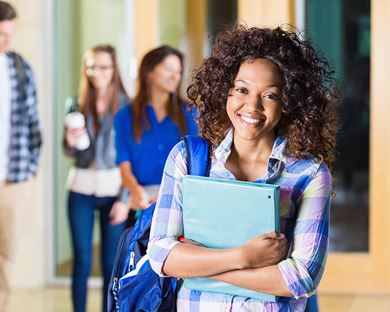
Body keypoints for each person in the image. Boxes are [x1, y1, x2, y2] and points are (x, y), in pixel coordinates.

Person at [148, 25, 339, 311]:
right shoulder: (187, 159)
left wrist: (198, 266)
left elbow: (300, 278)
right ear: (224, 90)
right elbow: (161, 256)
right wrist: (244, 257)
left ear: (288, 102)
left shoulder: (309, 175)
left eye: (270, 95)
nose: (252, 106)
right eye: (242, 89)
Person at [63, 44, 130, 312]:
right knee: (81, 260)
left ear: (114, 69)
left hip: (114, 191)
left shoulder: (127, 107)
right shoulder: (75, 102)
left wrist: (124, 198)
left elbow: (131, 158)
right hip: (80, 189)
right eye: (91, 66)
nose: (96, 72)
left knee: (110, 264)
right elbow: (70, 149)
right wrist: (70, 142)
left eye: (103, 66)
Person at [114, 45, 198, 220]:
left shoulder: (190, 113)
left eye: (179, 71)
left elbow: (195, 161)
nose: (176, 76)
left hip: (179, 200)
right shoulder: (125, 116)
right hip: (140, 201)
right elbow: (124, 166)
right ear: (149, 72)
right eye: (168, 69)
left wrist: (170, 195)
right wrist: (136, 191)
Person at [0, 2, 42, 311]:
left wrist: (31, 168)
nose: (6, 41)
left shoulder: (18, 67)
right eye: (1, 35)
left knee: (6, 252)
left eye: (9, 35)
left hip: (14, 178)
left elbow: (32, 123)